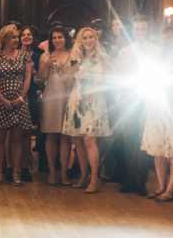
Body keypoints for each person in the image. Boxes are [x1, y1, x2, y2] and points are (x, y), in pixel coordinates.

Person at [139, 25, 173, 202]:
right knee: (158, 148)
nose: (165, 40)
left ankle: (171, 189)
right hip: (156, 106)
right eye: (164, 37)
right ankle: (161, 185)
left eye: (169, 37)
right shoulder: (156, 58)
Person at [63, 26, 111, 193]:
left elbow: (110, 80)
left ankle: (95, 177)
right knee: (78, 140)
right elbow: (71, 81)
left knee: (90, 140)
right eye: (85, 38)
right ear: (80, 41)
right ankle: (84, 176)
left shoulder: (103, 58)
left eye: (91, 37)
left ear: (95, 39)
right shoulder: (76, 58)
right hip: (77, 101)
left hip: (95, 101)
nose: (88, 40)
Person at [114, 15, 157, 195]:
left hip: (149, 99)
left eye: (143, 29)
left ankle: (141, 181)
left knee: (144, 142)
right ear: (132, 31)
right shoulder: (124, 52)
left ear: (148, 31)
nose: (140, 32)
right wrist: (120, 99)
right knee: (129, 141)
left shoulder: (157, 50)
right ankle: (131, 180)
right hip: (128, 99)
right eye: (137, 29)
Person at [0, 24, 33, 186]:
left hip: (20, 102)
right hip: (2, 102)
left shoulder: (25, 56)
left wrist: (21, 97)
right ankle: (0, 171)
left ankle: (16, 172)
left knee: (17, 139)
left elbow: (27, 78)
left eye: (17, 37)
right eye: (13, 37)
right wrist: (2, 100)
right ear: (5, 38)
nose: (17, 39)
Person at [36, 26, 74, 186]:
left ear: (66, 38)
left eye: (60, 37)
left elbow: (74, 78)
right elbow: (40, 79)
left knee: (65, 136)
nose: (57, 40)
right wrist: (48, 66)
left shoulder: (73, 54)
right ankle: (52, 171)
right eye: (54, 38)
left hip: (68, 96)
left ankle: (64, 173)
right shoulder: (45, 55)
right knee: (51, 135)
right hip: (51, 96)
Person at [20, 25, 42, 180]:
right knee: (13, 133)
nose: (26, 37)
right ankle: (12, 166)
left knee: (27, 132)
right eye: (23, 34)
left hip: (31, 94)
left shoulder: (37, 57)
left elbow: (41, 81)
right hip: (14, 93)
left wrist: (34, 73)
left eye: (29, 35)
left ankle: (25, 166)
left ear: (33, 38)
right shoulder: (15, 54)